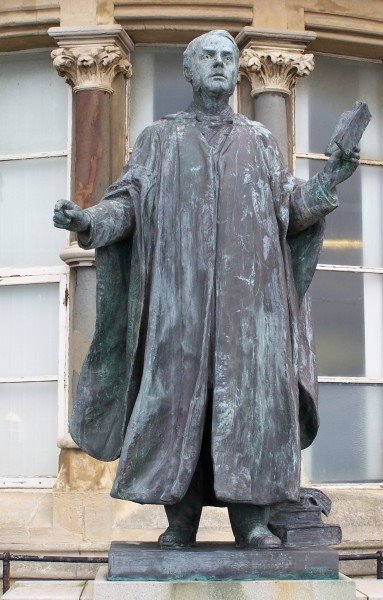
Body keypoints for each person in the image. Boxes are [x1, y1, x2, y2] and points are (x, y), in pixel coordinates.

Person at [53, 30, 359, 549]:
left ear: (236, 71)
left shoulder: (259, 141)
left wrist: (330, 179)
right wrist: (88, 220)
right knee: (177, 404)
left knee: (251, 408)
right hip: (181, 307)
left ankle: (252, 522)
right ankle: (180, 522)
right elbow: (126, 203)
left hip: (250, 311)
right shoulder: (160, 139)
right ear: (189, 72)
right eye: (208, 57)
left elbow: (292, 210)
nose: (219, 64)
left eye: (227, 57)